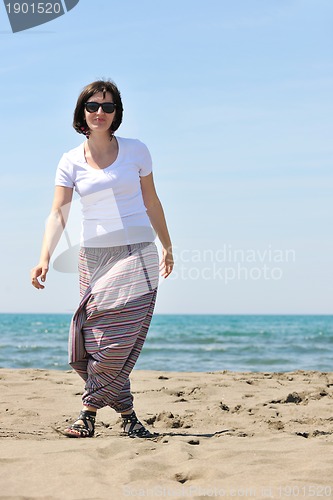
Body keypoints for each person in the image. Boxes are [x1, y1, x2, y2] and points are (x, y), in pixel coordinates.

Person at [30, 80, 173, 438]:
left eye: (108, 107)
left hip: (137, 253)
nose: (100, 113)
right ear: (82, 111)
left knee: (118, 340)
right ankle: (128, 416)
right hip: (93, 257)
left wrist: (168, 246)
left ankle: (87, 413)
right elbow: (58, 214)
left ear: (116, 113)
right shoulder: (69, 161)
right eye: (93, 106)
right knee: (92, 340)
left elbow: (152, 202)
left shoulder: (137, 151)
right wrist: (45, 256)